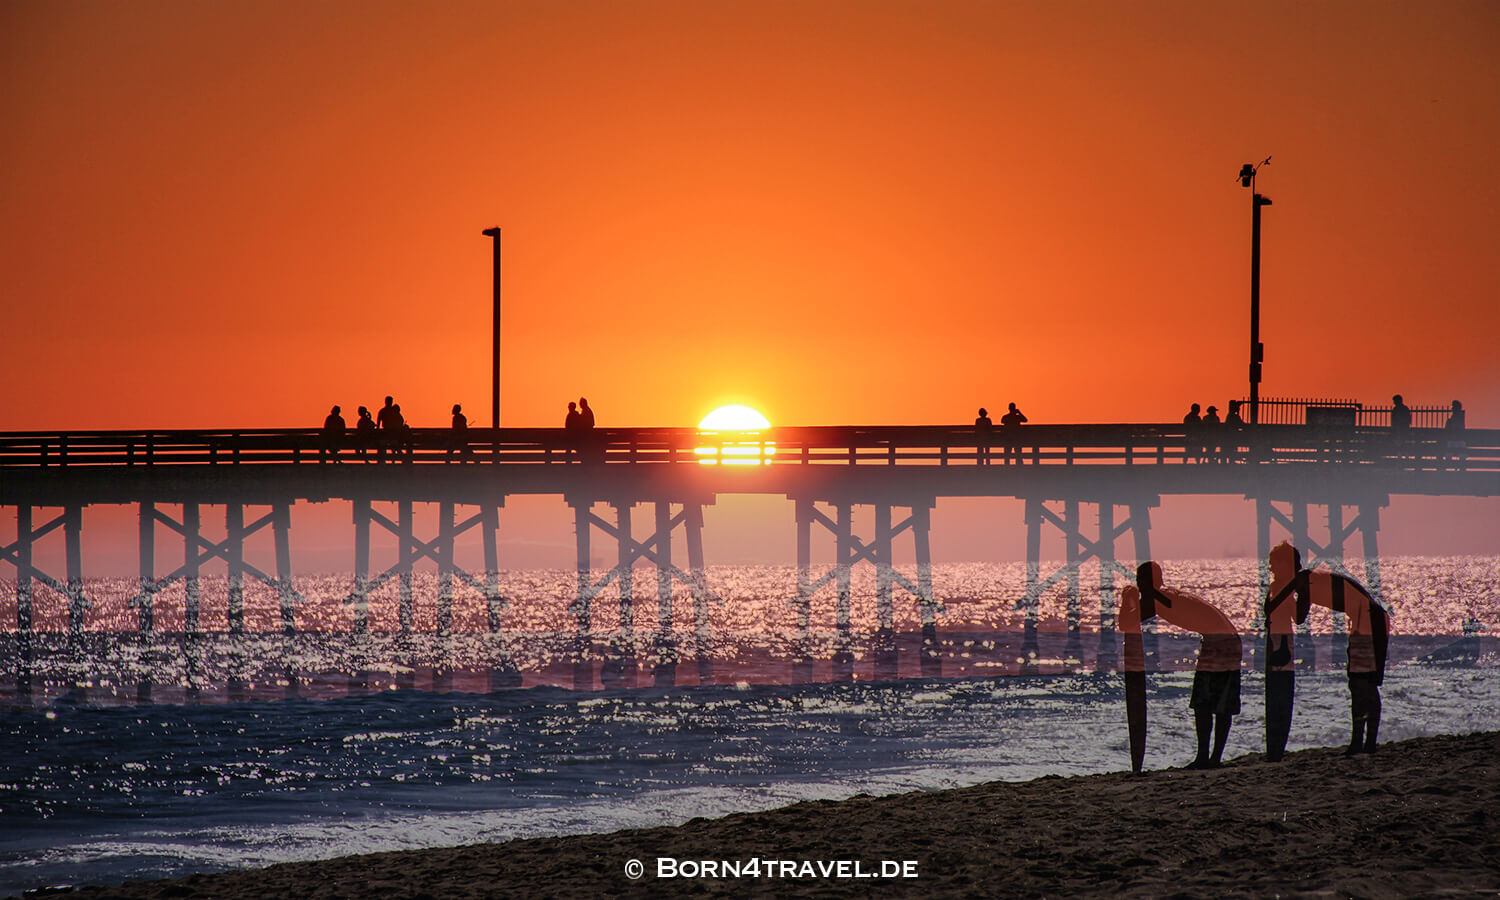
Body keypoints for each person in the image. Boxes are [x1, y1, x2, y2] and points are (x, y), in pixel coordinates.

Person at [1266, 541, 1390, 756]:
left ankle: (1364, 743)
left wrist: (1276, 589)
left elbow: (1271, 606)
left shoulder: (1302, 579)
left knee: (1364, 684)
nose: (1270, 570)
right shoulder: (1306, 580)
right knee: (1361, 683)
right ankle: (1362, 742)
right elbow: (1300, 617)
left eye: (1273, 565)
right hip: (1368, 619)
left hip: (1369, 620)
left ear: (1285, 566)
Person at [1119, 561, 1242, 773]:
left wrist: (1127, 598)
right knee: (1205, 703)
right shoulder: (1165, 594)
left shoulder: (1160, 599)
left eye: (1140, 581)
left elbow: (1126, 622)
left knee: (1216, 703)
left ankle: (1212, 758)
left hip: (1223, 643)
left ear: (1149, 583)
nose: (1138, 584)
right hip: (1223, 641)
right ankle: (1206, 756)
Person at [1442, 400, 1466, 470]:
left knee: (1449, 452)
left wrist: (1449, 423)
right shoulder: (1460, 416)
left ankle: (1448, 466)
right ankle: (1461, 467)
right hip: (1458, 440)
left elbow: (1452, 427)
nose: (1452, 409)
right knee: (1459, 453)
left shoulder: (1457, 417)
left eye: (1453, 407)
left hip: (1455, 440)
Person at [1389, 394, 1412, 466]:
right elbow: (1409, 420)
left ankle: (1401, 460)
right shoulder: (1405, 409)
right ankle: (1404, 459)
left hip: (1399, 431)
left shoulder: (1396, 409)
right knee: (1402, 445)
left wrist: (1395, 427)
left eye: (1394, 401)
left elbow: (1394, 421)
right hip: (1403, 431)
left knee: (1400, 446)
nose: (1393, 402)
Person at [376, 396, 398, 462]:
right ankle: (391, 461)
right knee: (389, 447)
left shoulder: (383, 411)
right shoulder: (392, 411)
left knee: (390, 447)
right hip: (389, 431)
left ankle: (385, 461)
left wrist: (377, 428)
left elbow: (378, 422)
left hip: (389, 431)